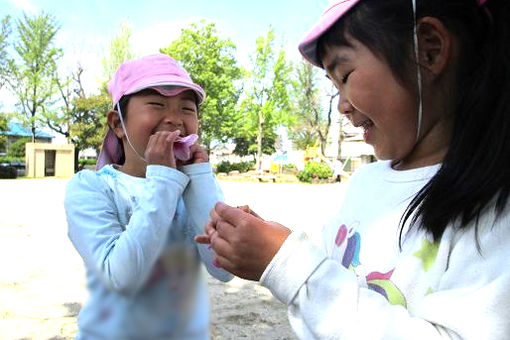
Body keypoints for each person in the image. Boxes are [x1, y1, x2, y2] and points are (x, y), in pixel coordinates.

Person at [196, 0, 510, 339]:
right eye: (333, 86)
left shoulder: (494, 212)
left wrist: (288, 264)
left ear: (429, 49)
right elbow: (336, 280)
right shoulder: (365, 181)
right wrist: (268, 245)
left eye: (345, 76)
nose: (342, 106)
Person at [65, 53, 233, 340]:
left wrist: (200, 179)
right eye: (156, 104)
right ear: (118, 124)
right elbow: (121, 278)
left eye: (187, 109)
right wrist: (164, 178)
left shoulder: (192, 184)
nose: (174, 119)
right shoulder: (92, 188)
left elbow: (224, 269)